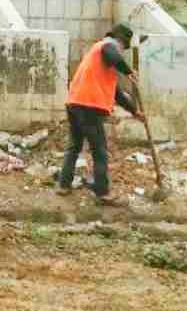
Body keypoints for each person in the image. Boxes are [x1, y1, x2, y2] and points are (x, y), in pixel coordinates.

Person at [58, 24, 142, 207]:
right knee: (100, 151)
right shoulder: (107, 46)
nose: (122, 51)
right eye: (123, 47)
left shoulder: (100, 62)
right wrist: (129, 72)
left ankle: (63, 185)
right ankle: (102, 192)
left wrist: (135, 111)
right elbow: (112, 54)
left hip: (75, 103)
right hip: (89, 106)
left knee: (74, 146)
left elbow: (116, 93)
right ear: (120, 41)